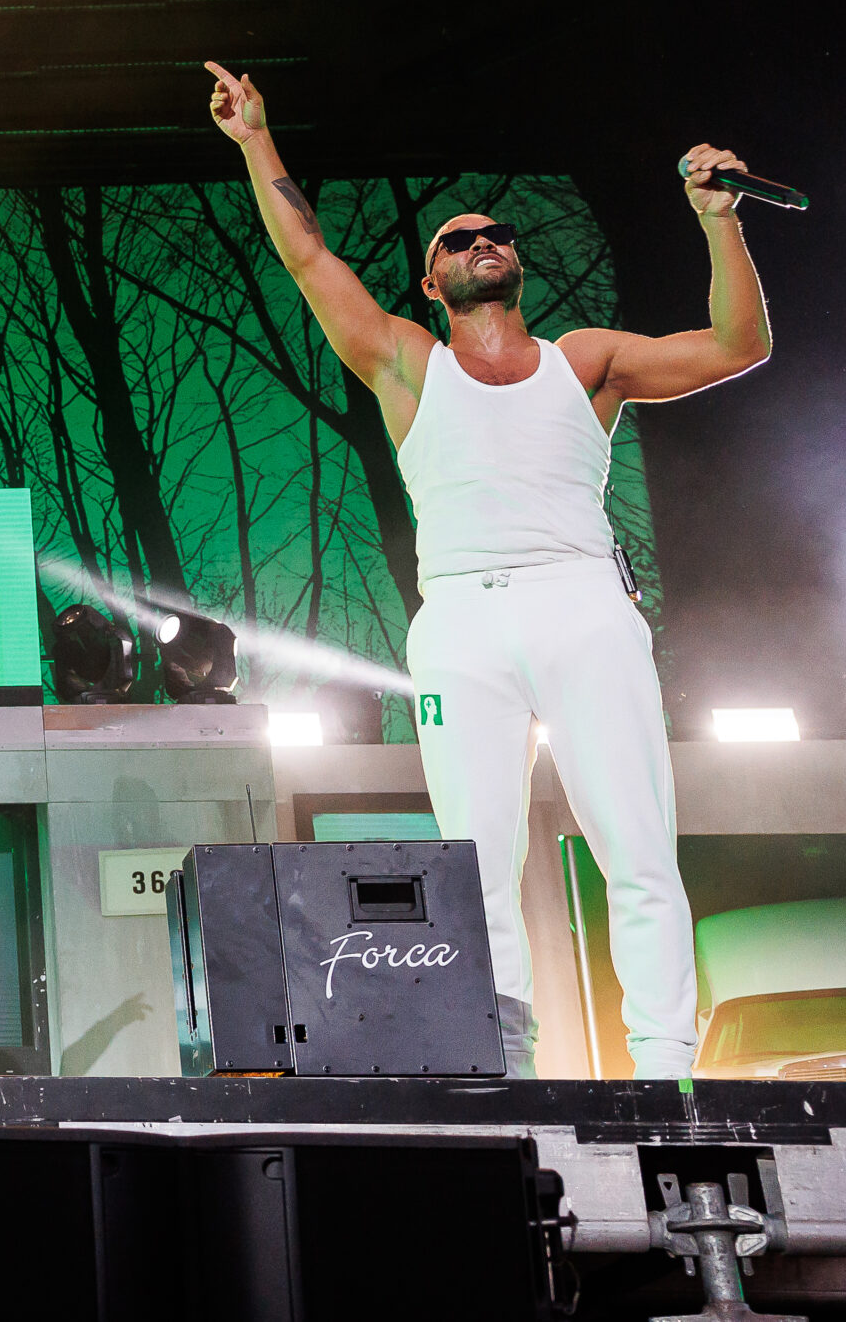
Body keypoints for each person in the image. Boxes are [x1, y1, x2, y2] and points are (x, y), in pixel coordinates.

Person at [205, 60, 772, 1079]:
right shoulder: (406, 361)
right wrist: (254, 140)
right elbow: (305, 259)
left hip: (579, 600)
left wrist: (716, 219)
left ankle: (663, 1062)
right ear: (431, 280)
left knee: (636, 846)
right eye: (454, 239)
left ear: (515, 266)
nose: (480, 242)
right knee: (477, 859)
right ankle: (501, 1061)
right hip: (462, 618)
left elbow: (738, 345)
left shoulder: (585, 358)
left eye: (494, 234)